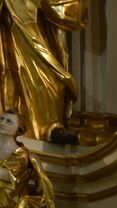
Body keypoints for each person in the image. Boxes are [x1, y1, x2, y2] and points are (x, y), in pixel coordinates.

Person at [0, 0, 85, 144]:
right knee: (10, 77)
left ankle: (48, 128)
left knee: (45, 77)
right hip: (8, 27)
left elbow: (70, 11)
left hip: (34, 27)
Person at [0, 110, 68, 208]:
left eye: (9, 121)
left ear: (18, 129)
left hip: (15, 201)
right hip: (2, 200)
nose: (3, 123)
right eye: (2, 119)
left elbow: (7, 175)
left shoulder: (20, 153)